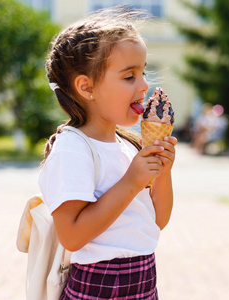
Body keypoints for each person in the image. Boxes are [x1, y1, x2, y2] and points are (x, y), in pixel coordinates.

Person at [39, 8, 176, 300]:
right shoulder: (73, 149)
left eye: (143, 72)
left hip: (143, 278)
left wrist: (162, 172)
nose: (143, 85)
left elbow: (157, 221)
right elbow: (72, 237)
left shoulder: (128, 145)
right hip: (99, 285)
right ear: (87, 87)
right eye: (129, 76)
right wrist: (131, 182)